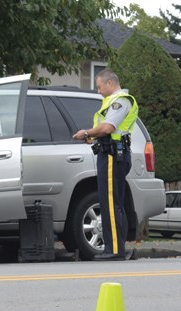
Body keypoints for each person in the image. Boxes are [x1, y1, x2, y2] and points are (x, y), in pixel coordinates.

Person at [72, 69, 138, 261]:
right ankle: (115, 247)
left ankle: (115, 250)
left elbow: (108, 127)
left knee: (110, 202)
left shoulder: (121, 101)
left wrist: (86, 132)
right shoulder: (110, 101)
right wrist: (93, 136)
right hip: (109, 153)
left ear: (110, 83)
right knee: (111, 202)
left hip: (112, 156)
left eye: (99, 86)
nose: (98, 91)